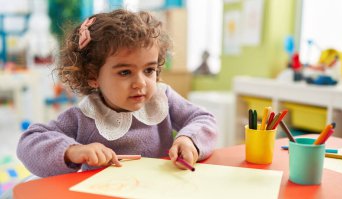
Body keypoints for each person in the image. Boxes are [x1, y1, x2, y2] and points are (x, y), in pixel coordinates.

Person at [17, 9, 217, 178]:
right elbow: (28, 142)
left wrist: (188, 139)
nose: (140, 83)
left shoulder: (161, 98)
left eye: (149, 70)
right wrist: (73, 151)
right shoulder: (85, 115)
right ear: (92, 75)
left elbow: (203, 118)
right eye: (124, 72)